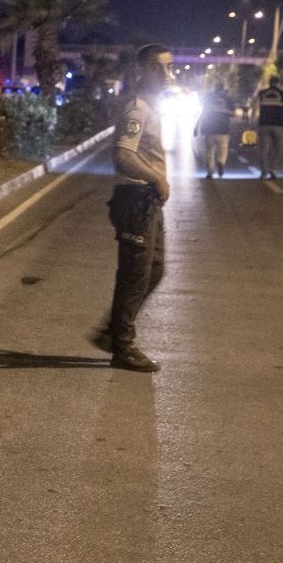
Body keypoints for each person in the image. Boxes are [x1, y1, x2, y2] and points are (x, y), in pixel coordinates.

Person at [92, 44, 174, 373]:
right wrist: (158, 178)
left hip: (148, 202)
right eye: (158, 67)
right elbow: (123, 155)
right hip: (135, 200)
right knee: (135, 275)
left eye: (169, 67)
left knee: (153, 270)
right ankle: (122, 345)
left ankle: (112, 333)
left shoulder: (153, 108)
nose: (166, 74)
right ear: (142, 71)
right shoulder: (137, 109)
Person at [254, 75, 283, 179]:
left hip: (263, 124)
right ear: (278, 83)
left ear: (269, 82)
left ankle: (264, 172)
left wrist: (253, 121)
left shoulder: (261, 93)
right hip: (278, 125)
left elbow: (255, 108)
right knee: (277, 148)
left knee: (263, 149)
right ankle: (272, 169)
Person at [195, 81, 235, 178]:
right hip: (223, 129)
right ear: (222, 88)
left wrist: (197, 127)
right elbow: (232, 113)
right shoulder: (227, 98)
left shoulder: (209, 98)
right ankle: (221, 162)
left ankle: (210, 171)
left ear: (215, 88)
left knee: (209, 151)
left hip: (209, 129)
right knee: (223, 149)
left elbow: (203, 113)